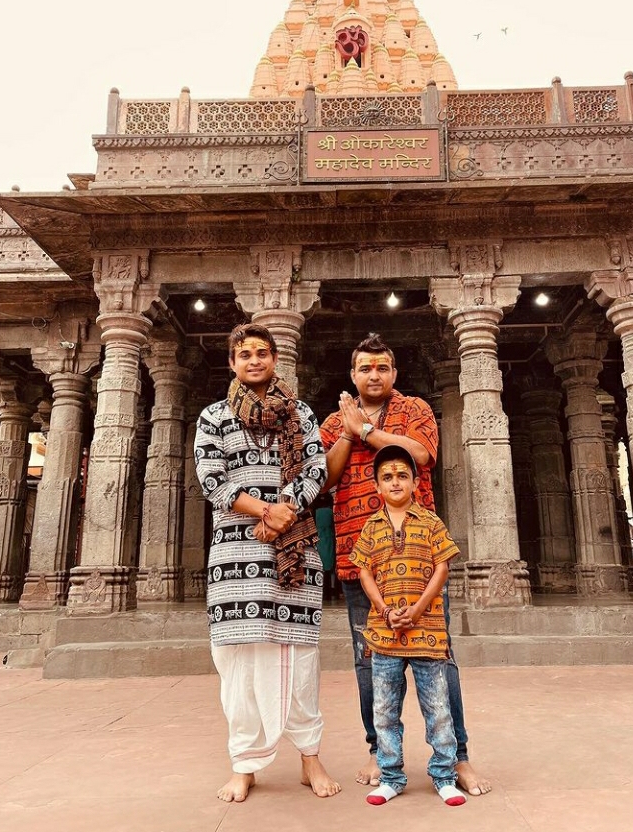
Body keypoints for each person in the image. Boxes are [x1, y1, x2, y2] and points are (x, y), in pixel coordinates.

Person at [320, 333, 490, 795]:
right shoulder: (336, 420)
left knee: (440, 658)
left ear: (393, 373)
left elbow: (421, 456)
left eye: (382, 367)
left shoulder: (414, 410)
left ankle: (458, 758)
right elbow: (325, 480)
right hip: (363, 560)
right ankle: (379, 753)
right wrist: (347, 430)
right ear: (352, 375)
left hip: (419, 558)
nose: (373, 375)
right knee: (368, 662)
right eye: (364, 368)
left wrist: (368, 433)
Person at [194, 324, 341, 803]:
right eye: (244, 354)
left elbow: (316, 468)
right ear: (232, 363)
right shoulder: (213, 416)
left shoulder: (300, 413)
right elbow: (212, 479)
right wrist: (265, 510)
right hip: (236, 555)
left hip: (292, 552)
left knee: (298, 660)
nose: (254, 360)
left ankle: (309, 759)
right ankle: (245, 763)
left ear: (275, 359)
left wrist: (286, 512)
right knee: (238, 663)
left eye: (262, 352)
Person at [351, 445, 467, 807]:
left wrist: (416, 611)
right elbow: (364, 571)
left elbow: (442, 568)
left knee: (437, 708)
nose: (395, 481)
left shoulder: (431, 522)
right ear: (376, 487)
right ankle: (390, 776)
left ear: (416, 482)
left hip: (427, 633)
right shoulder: (370, 527)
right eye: (387, 477)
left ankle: (444, 775)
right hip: (384, 634)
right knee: (385, 710)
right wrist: (385, 611)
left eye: (403, 474)